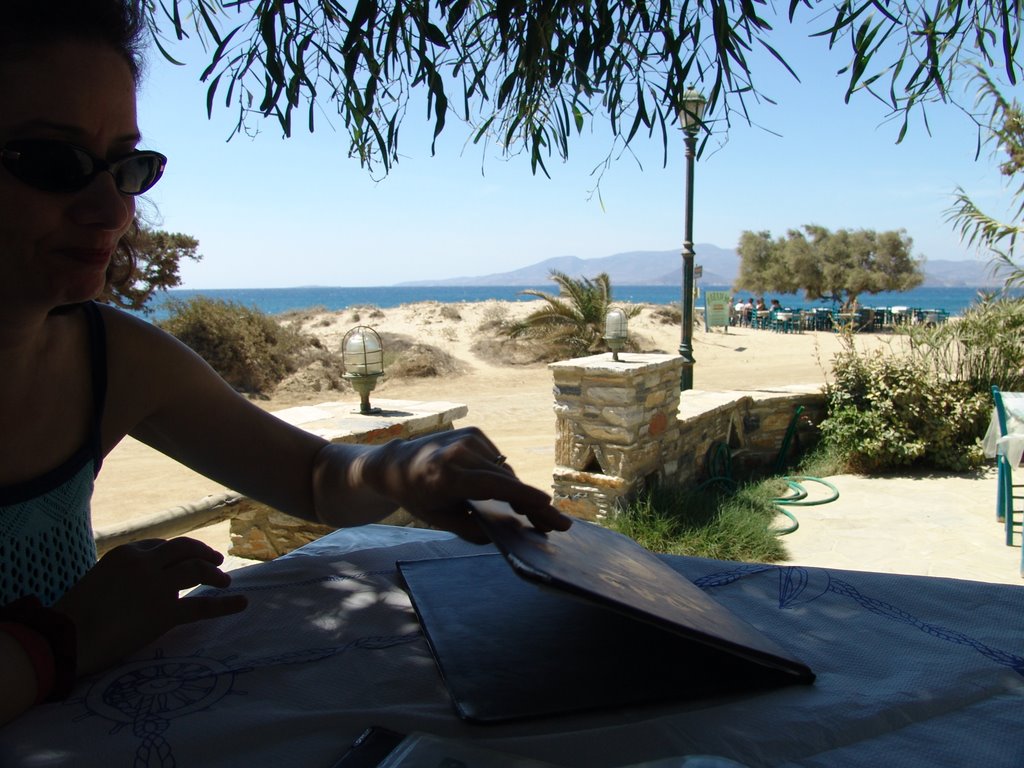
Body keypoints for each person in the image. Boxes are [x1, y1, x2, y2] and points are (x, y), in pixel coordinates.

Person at [0, 0, 571, 726]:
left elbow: (310, 476)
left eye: (126, 167)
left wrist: (403, 469)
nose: (111, 211)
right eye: (53, 161)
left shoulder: (112, 358)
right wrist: (61, 640)